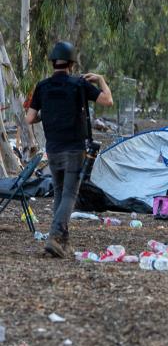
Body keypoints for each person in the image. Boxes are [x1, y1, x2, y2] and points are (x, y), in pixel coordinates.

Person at [25, 41, 113, 258]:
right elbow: (107, 100)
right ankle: (54, 237)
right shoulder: (79, 85)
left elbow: (30, 118)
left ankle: (62, 244)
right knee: (70, 195)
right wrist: (101, 79)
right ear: (71, 64)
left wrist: (50, 113)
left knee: (59, 194)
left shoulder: (42, 86)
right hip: (74, 150)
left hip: (53, 150)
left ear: (53, 62)